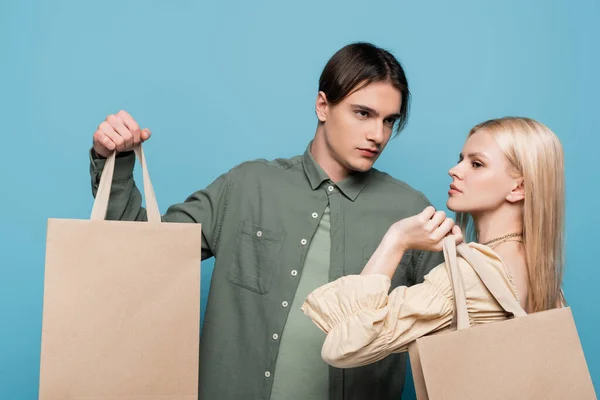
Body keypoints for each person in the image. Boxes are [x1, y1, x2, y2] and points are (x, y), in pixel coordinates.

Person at [88, 42, 444, 399]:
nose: (378, 135)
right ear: (323, 105)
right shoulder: (247, 186)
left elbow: (462, 327)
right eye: (363, 113)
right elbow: (140, 252)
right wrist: (114, 163)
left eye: (389, 121)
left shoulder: (410, 213)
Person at [302, 117, 566, 368]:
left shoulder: (471, 277)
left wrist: (396, 239)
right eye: (461, 159)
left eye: (477, 164)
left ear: (518, 188)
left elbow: (344, 347)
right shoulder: (537, 269)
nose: (455, 170)